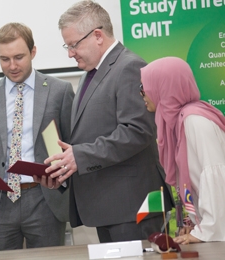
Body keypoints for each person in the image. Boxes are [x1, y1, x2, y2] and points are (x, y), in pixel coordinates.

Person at [41, 0, 173, 243]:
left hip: (132, 206)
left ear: (98, 35)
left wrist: (79, 156)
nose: (70, 53)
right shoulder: (89, 74)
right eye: (67, 46)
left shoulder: (129, 67)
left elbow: (137, 131)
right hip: (108, 206)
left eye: (73, 45)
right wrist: (64, 166)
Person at [0, 22, 74, 251]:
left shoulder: (59, 91)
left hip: (45, 199)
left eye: (19, 57)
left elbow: (71, 147)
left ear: (33, 52)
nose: (12, 66)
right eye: (4, 59)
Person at [140, 56, 225, 244]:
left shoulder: (195, 121)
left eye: (144, 88)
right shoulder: (179, 123)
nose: (143, 95)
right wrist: (195, 222)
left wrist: (206, 231)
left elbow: (216, 176)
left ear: (163, 87)